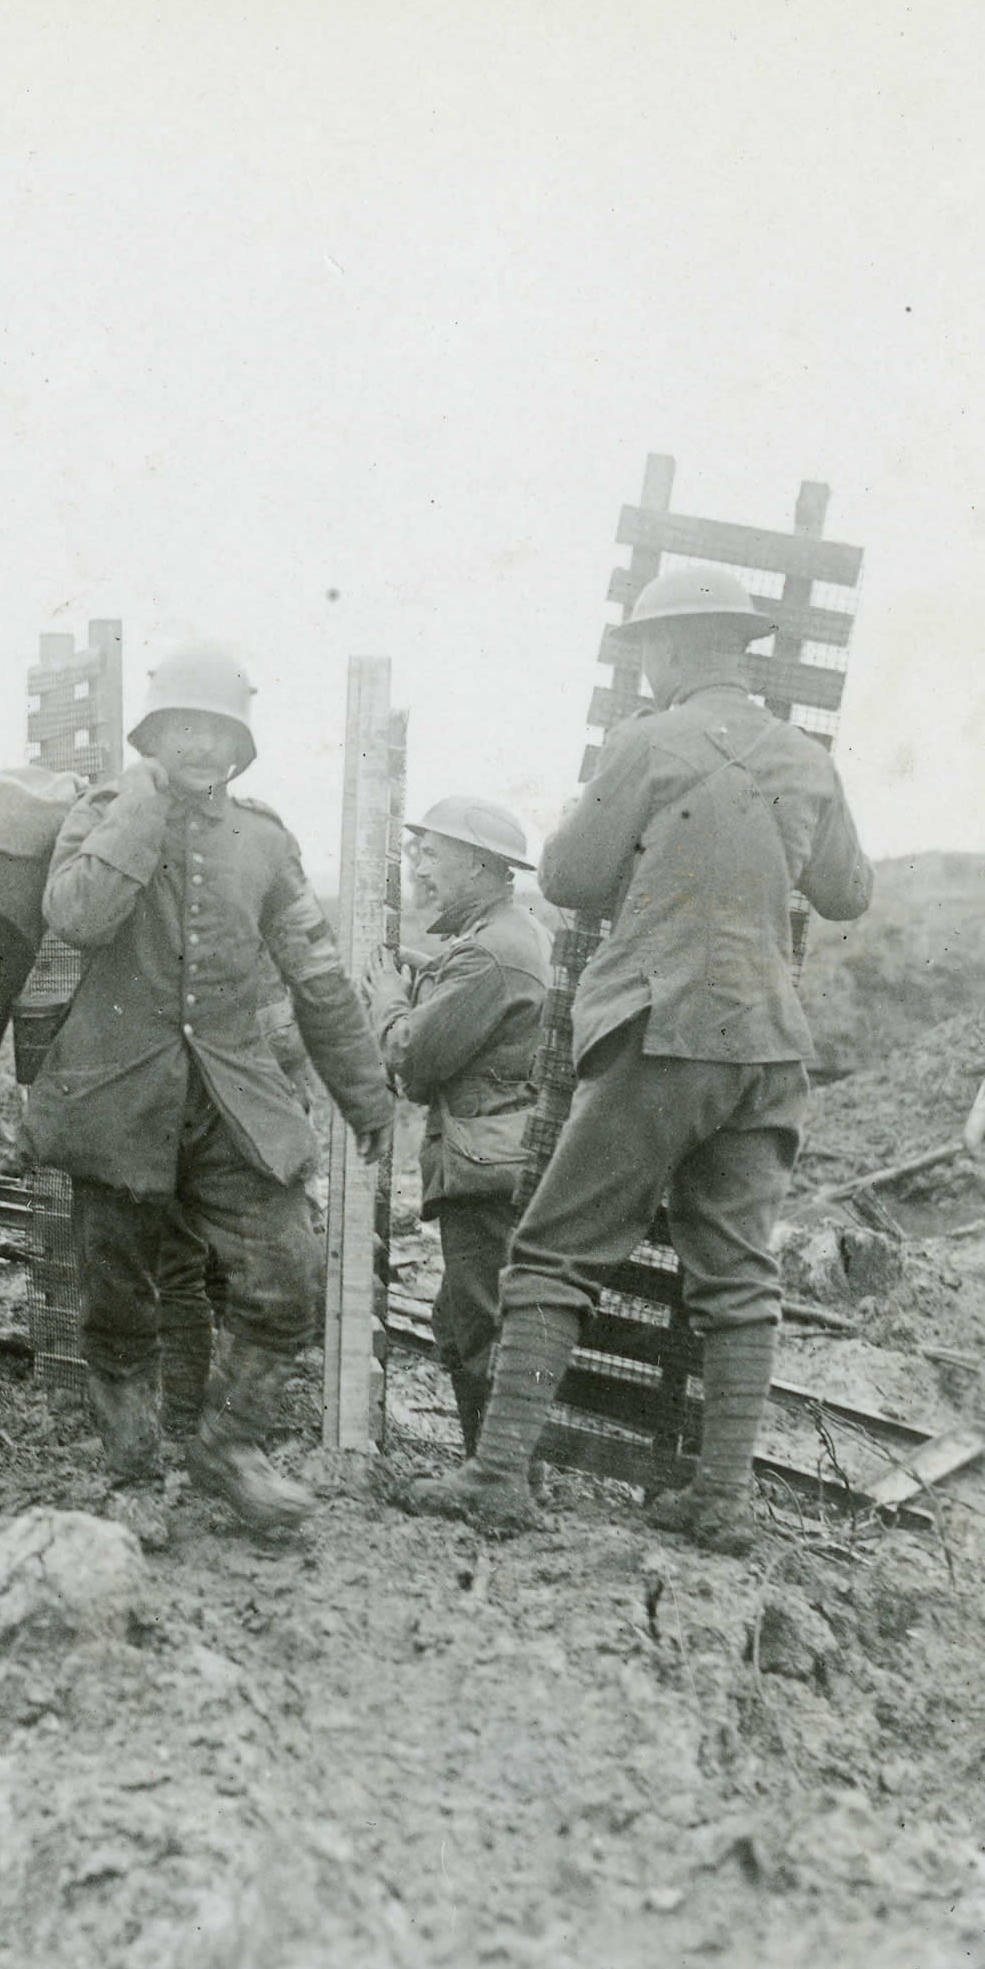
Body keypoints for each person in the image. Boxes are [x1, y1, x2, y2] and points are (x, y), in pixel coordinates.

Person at [402, 566, 873, 1551]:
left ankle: (494, 1478)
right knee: (739, 1276)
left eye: (648, 650)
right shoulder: (802, 759)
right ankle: (723, 1499)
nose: (645, 667)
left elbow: (570, 876)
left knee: (551, 1252)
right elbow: (847, 892)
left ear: (669, 650)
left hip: (661, 1030)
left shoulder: (647, 742)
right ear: (736, 648)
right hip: (769, 1048)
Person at [26, 646, 396, 1548]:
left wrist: (368, 1098)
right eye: (183, 728)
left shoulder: (264, 841)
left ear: (240, 744)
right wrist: (142, 807)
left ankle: (230, 1448)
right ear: (155, 737)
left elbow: (316, 976)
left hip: (232, 1103)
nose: (201, 745)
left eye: (218, 731)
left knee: (287, 1281)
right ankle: (131, 1476)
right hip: (118, 1103)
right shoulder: (102, 817)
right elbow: (77, 917)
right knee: (118, 1306)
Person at [352, 796, 553, 1455]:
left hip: (485, 1165)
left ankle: (496, 1474)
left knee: (476, 1324)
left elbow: (413, 1059)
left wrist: (388, 994)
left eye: (431, 854)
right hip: (506, 1157)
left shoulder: (488, 956)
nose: (417, 868)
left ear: (477, 868)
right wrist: (432, 970)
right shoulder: (511, 935)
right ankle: (498, 1465)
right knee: (472, 1315)